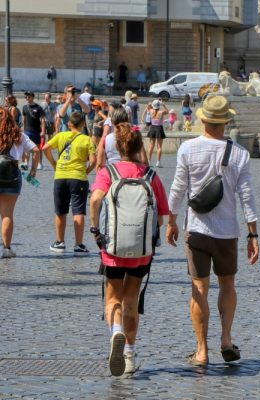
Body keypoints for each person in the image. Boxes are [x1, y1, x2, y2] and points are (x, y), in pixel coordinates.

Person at [166, 95, 259, 367]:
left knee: (199, 287)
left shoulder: (187, 149)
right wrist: (253, 234)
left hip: (196, 229)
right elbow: (247, 197)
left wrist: (171, 221)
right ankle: (226, 340)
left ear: (203, 119)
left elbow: (177, 189)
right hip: (227, 231)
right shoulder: (240, 153)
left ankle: (202, 350)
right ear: (226, 121)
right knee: (227, 283)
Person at [89, 122, 169, 376]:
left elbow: (95, 200)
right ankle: (130, 355)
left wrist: (95, 230)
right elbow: (161, 215)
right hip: (142, 249)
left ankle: (116, 332)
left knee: (113, 297)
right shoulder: (151, 176)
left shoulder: (108, 172)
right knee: (132, 300)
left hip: (112, 247)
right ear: (138, 147)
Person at [43, 112, 96, 255]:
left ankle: (60, 243)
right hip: (78, 177)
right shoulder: (87, 139)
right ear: (83, 124)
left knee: (60, 211)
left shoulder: (61, 136)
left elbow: (45, 148)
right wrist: (86, 170)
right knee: (78, 211)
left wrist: (54, 164)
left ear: (70, 124)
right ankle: (78, 245)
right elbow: (94, 161)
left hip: (60, 177)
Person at [0, 108, 40, 258]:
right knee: (7, 215)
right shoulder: (19, 135)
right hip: (12, 176)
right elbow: (36, 150)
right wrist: (33, 171)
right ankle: (6, 249)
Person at [21, 91, 46, 170]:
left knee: (37, 148)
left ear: (33, 97)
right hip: (28, 131)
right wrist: (23, 130)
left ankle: (38, 163)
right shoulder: (24, 107)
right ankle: (26, 163)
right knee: (27, 148)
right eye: (26, 97)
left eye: (29, 97)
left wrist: (42, 131)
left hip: (36, 131)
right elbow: (24, 119)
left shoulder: (38, 108)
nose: (27, 98)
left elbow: (42, 120)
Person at [147, 99, 168, 167]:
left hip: (152, 128)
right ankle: (158, 162)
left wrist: (150, 104)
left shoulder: (151, 111)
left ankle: (149, 161)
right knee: (159, 147)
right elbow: (167, 111)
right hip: (159, 128)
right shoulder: (161, 112)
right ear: (159, 106)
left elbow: (148, 107)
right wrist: (163, 104)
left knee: (151, 146)